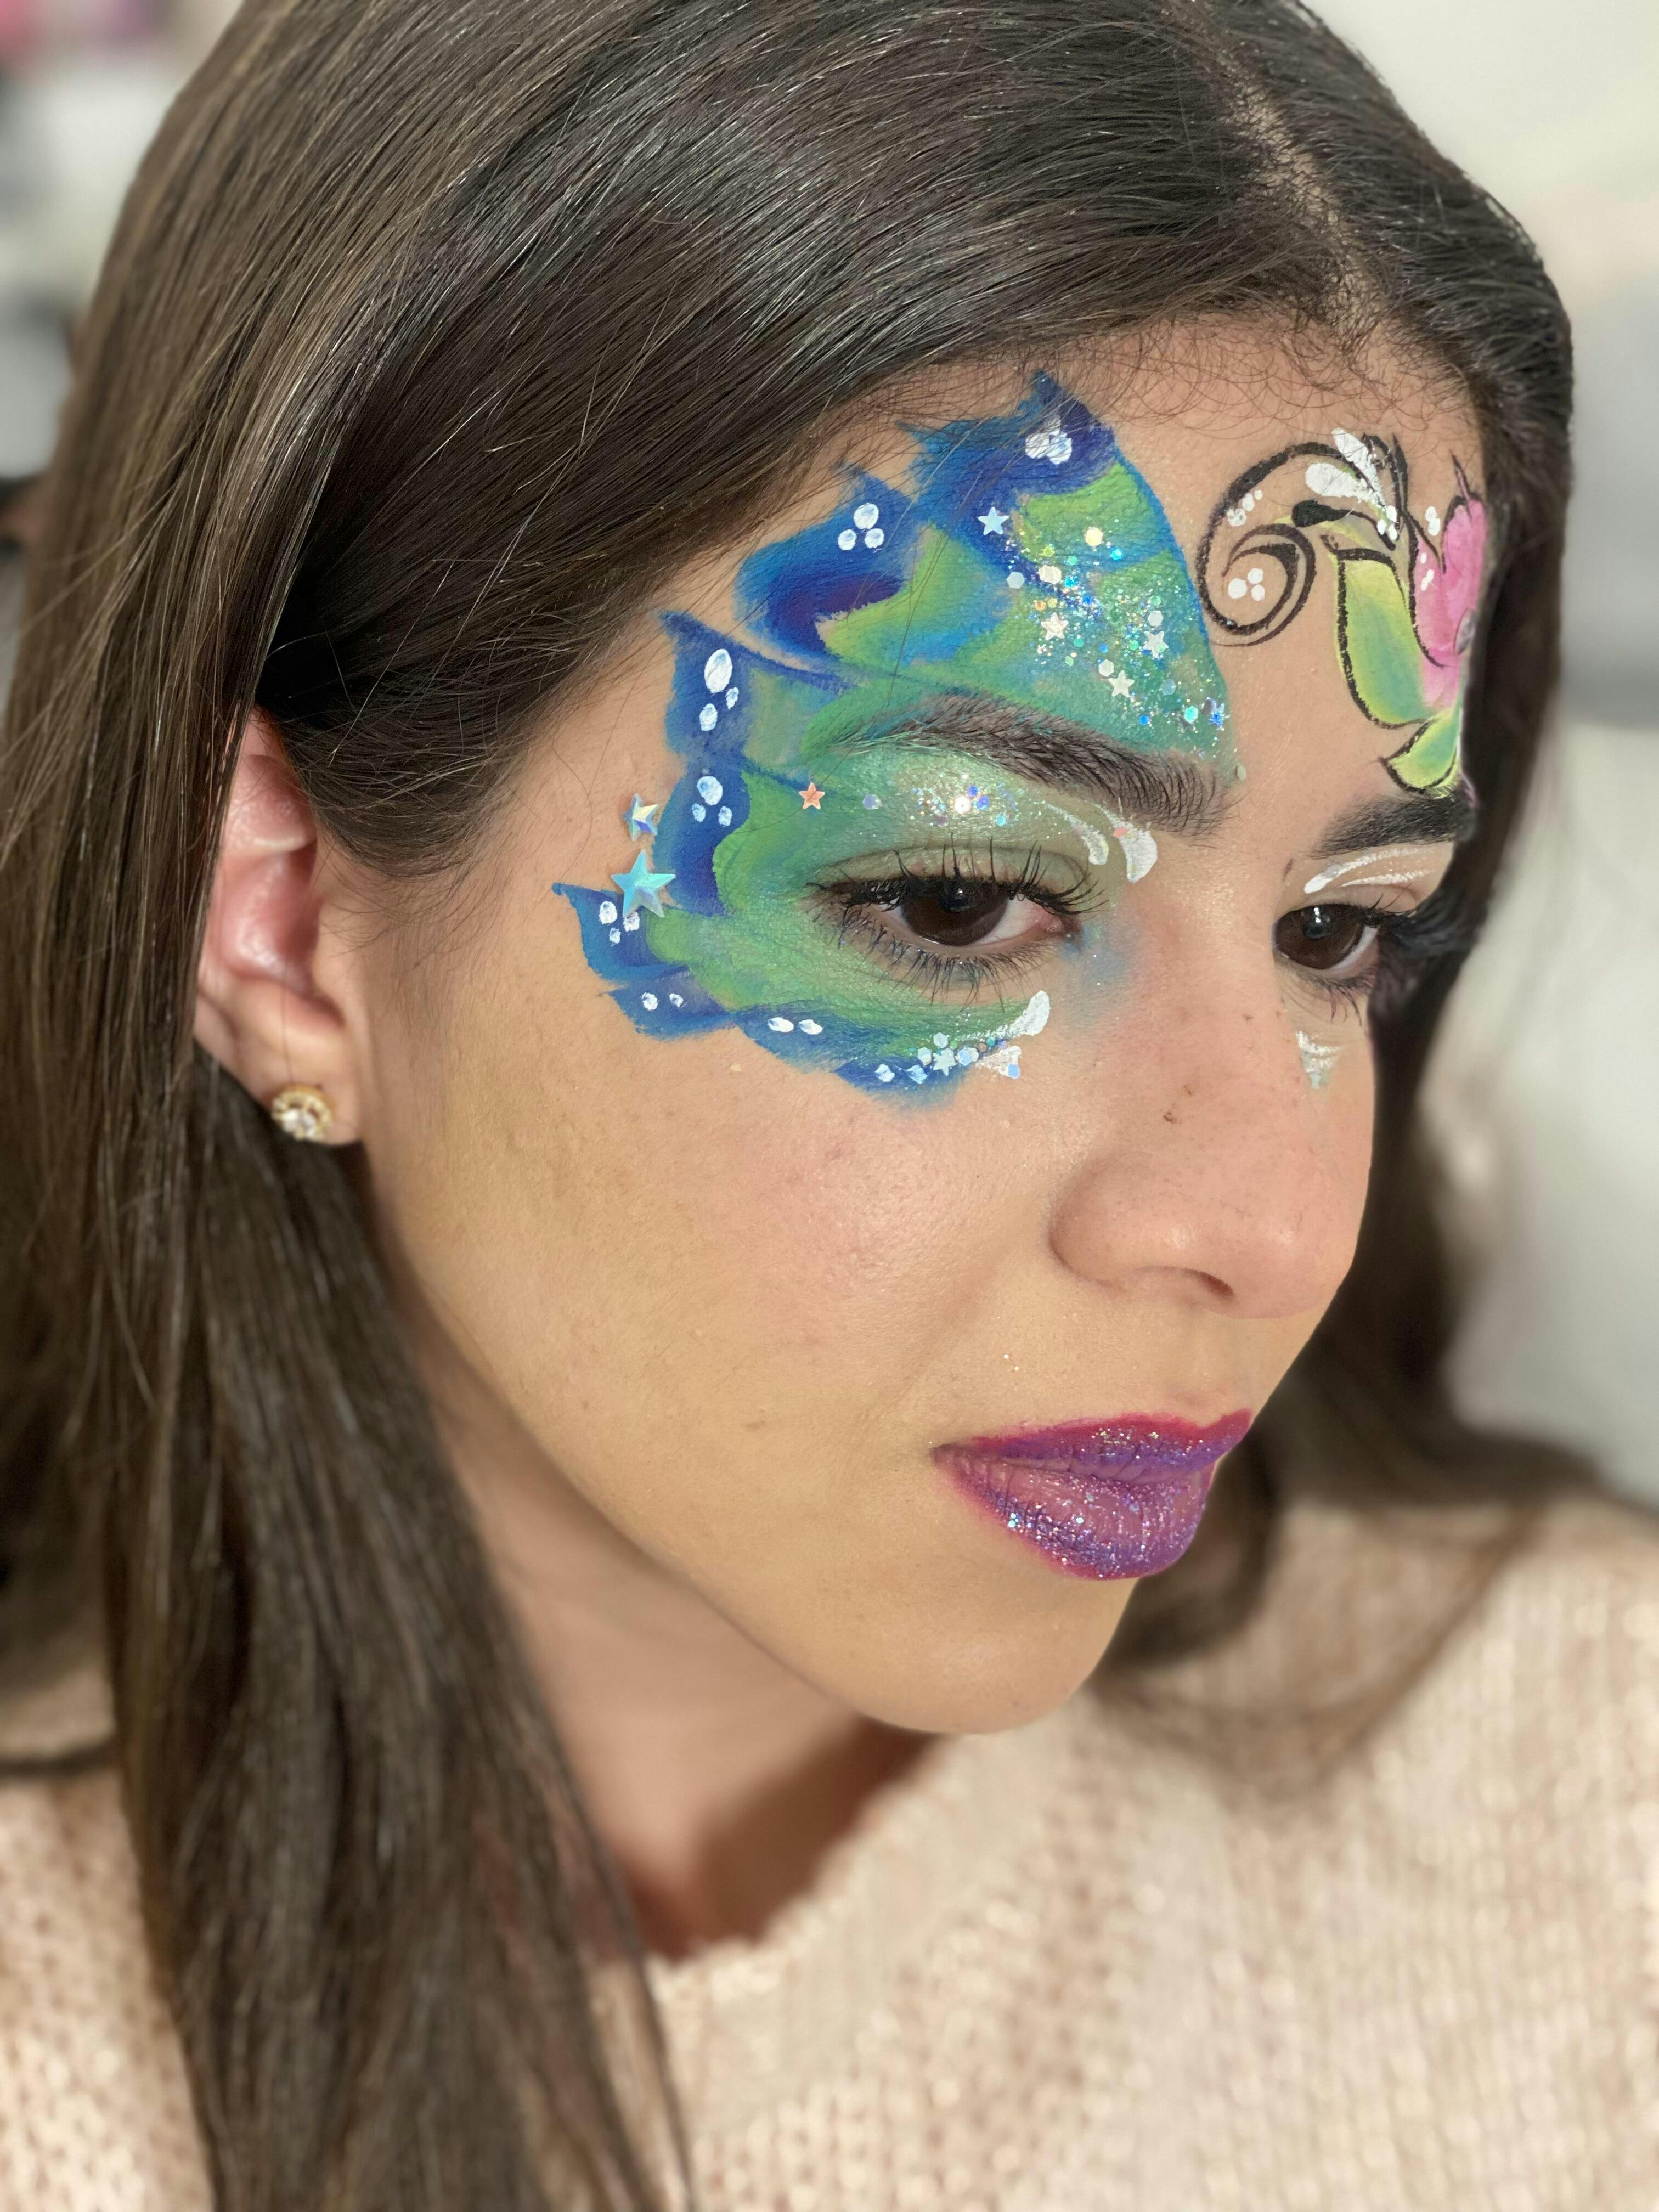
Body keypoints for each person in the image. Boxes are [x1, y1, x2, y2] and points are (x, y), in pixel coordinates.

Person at [1, 1, 1652, 2205]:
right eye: (959, 901)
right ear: (281, 924)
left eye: (1341, 932)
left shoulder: (1591, 1812)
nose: (1266, 1228)